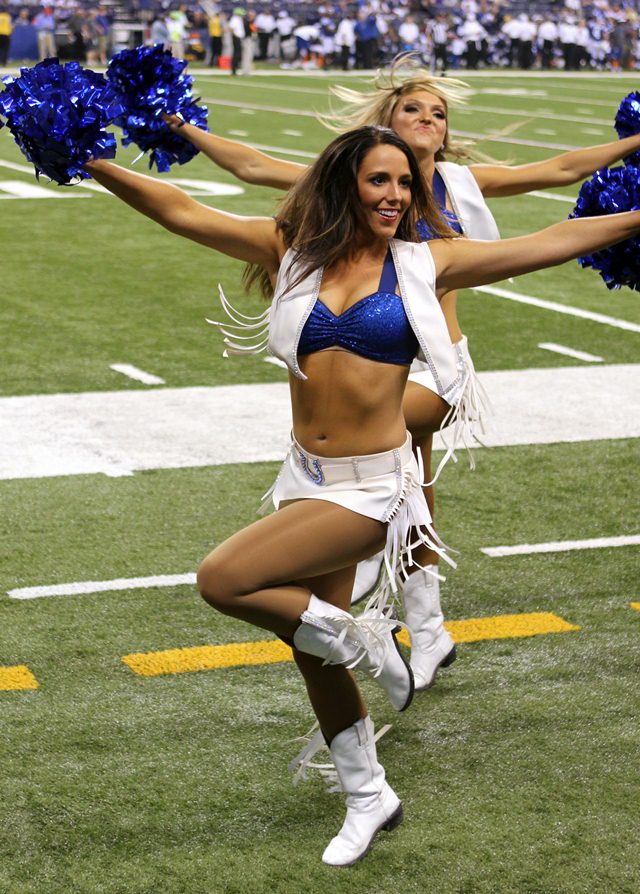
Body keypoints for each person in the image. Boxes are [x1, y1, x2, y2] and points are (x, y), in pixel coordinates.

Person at [80, 123, 640, 867]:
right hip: (303, 477)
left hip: (375, 489)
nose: (397, 195)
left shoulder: (426, 263)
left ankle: (366, 637)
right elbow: (182, 210)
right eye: (381, 180)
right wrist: (89, 160)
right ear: (347, 182)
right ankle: (369, 793)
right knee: (310, 651)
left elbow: (545, 242)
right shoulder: (294, 253)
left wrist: (635, 216)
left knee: (224, 579)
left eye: (405, 183)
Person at [161, 62, 640, 693]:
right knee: (384, 467)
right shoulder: (352, 183)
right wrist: (182, 129)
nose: (427, 121)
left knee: (367, 460)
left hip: (436, 368)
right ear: (385, 123)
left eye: (438, 114)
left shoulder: (457, 183)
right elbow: (251, 167)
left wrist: (634, 142)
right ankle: (421, 623)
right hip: (373, 357)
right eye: (413, 109)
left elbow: (559, 171)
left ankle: (371, 578)